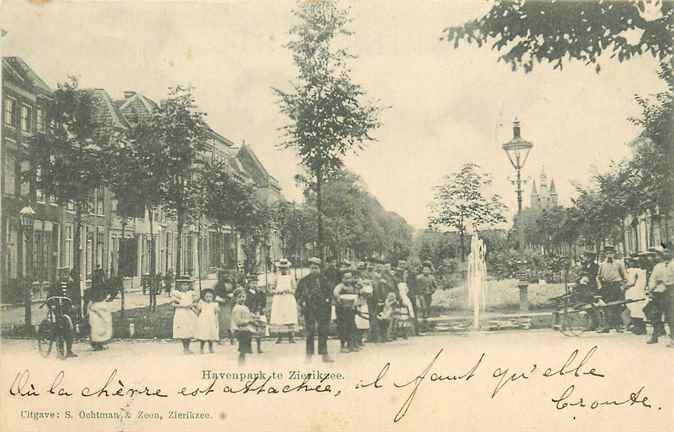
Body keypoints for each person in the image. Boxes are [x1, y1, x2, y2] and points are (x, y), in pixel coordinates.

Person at [295, 257, 334, 363]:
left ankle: (324, 354)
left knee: (323, 331)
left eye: (316, 268)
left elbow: (331, 293)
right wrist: (301, 303)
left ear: (320, 269)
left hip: (323, 309)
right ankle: (309, 355)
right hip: (309, 308)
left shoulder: (325, 280)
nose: (314, 270)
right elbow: (297, 294)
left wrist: (328, 300)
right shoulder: (304, 281)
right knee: (310, 331)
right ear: (309, 269)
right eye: (312, 268)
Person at [645, 247, 674, 346]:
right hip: (658, 292)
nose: (666, 253)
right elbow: (652, 279)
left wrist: (667, 284)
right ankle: (655, 335)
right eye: (664, 251)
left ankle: (673, 339)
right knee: (653, 313)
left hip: (671, 292)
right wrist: (651, 290)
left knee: (670, 316)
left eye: (668, 251)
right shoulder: (658, 266)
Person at [596, 246, 627, 333]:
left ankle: (618, 326)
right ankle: (606, 326)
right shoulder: (602, 264)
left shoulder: (619, 264)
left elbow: (624, 277)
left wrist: (622, 286)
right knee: (605, 306)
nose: (609, 255)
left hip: (616, 286)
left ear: (614, 254)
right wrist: (600, 286)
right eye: (607, 253)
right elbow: (598, 277)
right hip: (606, 287)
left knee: (617, 306)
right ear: (605, 254)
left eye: (611, 253)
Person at [85, 270, 116, 351]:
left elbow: (91, 299)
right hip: (100, 307)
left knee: (98, 325)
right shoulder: (101, 288)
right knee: (101, 324)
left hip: (96, 307)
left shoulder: (95, 289)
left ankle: (98, 343)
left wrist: (88, 308)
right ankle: (98, 343)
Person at [270, 259, 298, 343]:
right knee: (279, 316)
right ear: (279, 268)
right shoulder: (276, 276)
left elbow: (295, 288)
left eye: (285, 268)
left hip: (288, 298)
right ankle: (279, 336)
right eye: (281, 268)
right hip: (279, 298)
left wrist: (290, 291)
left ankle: (291, 336)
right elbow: (271, 288)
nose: (283, 269)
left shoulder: (291, 276)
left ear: (288, 268)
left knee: (290, 315)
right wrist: (277, 291)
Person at [333, 271, 359, 353]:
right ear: (342, 278)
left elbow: (357, 295)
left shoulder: (352, 286)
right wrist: (339, 298)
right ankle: (343, 345)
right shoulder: (340, 286)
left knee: (351, 326)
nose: (348, 280)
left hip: (350, 308)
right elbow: (335, 293)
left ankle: (351, 344)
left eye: (350, 278)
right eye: (346, 278)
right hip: (341, 309)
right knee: (343, 327)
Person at [170, 280, 197, 354]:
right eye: (183, 285)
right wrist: (183, 306)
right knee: (183, 330)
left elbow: (195, 301)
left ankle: (188, 347)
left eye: (186, 285)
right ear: (179, 286)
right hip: (181, 313)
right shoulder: (177, 294)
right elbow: (173, 304)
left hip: (189, 313)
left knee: (189, 330)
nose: (185, 287)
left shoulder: (190, 293)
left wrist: (193, 305)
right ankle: (185, 348)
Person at [231, 288, 256, 365]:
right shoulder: (236, 308)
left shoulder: (245, 307)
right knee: (243, 349)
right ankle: (241, 364)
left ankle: (243, 362)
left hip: (246, 330)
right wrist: (249, 321)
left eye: (243, 297)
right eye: (239, 297)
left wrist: (252, 316)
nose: (242, 299)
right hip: (241, 331)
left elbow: (247, 316)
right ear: (235, 298)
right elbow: (238, 321)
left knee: (245, 349)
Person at [624, 255, 647, 335]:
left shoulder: (632, 270)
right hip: (640, 292)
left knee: (634, 309)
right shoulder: (642, 271)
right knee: (638, 310)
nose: (629, 263)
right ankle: (641, 328)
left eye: (630, 261)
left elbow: (631, 282)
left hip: (633, 292)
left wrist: (623, 287)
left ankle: (638, 328)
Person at [245, 276, 267, 354]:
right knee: (249, 331)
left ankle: (258, 347)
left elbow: (263, 302)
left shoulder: (260, 293)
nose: (254, 285)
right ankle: (249, 348)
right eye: (252, 283)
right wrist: (250, 312)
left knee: (258, 330)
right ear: (249, 284)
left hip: (258, 313)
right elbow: (246, 304)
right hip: (250, 313)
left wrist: (261, 309)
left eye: (256, 283)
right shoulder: (246, 294)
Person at [194, 289, 220, 354]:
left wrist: (216, 321)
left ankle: (210, 348)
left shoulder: (215, 304)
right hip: (204, 321)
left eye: (210, 297)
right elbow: (197, 312)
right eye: (207, 297)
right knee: (203, 335)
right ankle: (201, 348)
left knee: (211, 335)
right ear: (204, 297)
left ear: (213, 297)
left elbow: (216, 313)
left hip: (211, 321)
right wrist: (193, 307)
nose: (208, 298)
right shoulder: (202, 303)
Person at [396, 268, 416, 335]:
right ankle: (402, 331)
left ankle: (409, 331)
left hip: (407, 298)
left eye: (406, 274)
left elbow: (408, 291)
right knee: (403, 314)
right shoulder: (400, 283)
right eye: (404, 274)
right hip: (402, 298)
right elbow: (402, 292)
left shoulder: (408, 282)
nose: (405, 276)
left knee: (408, 313)